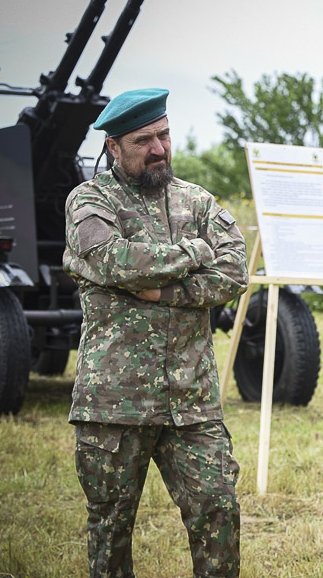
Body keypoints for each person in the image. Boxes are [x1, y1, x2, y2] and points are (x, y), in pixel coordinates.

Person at [63, 88, 248, 576]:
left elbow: (234, 272)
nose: (159, 148)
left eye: (164, 135)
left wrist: (165, 293)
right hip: (114, 404)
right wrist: (193, 253)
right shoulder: (89, 200)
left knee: (218, 510)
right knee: (111, 525)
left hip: (191, 399)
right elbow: (114, 261)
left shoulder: (197, 200)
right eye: (143, 140)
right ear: (113, 148)